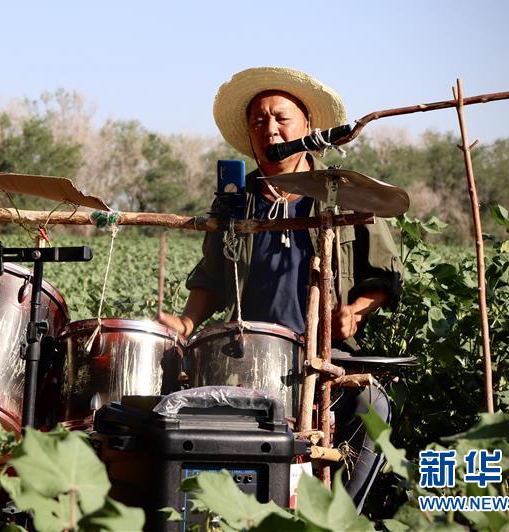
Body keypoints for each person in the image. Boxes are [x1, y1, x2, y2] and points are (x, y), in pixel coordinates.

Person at [158, 67, 403, 511]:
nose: (270, 129)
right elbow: (211, 278)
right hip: (246, 352)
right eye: (259, 121)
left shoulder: (343, 192)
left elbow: (384, 277)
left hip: (325, 351)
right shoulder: (237, 200)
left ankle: (337, 517)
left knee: (372, 408)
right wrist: (186, 322)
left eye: (281, 118)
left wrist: (357, 310)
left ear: (307, 126)